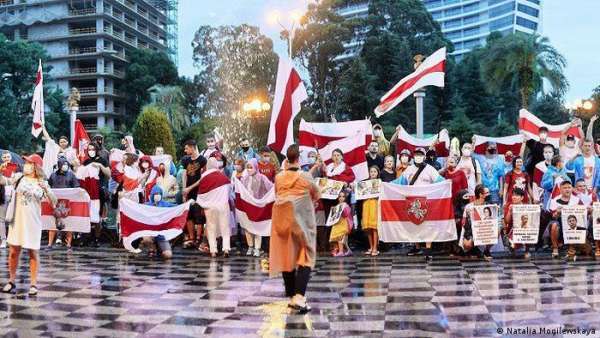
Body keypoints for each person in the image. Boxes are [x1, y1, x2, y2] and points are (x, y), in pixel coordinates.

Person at [270, 144, 320, 314]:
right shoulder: (305, 176)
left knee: (287, 257)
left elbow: (277, 193)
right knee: (306, 256)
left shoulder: (279, 177)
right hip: (301, 222)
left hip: (282, 221)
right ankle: (299, 297)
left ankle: (292, 297)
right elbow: (316, 194)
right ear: (299, 159)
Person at [1, 154, 56, 295]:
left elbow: (54, 201)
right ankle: (11, 280)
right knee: (13, 251)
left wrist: (47, 190)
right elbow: (3, 181)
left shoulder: (42, 182)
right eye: (25, 162)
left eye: (29, 163)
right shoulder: (19, 177)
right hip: (17, 220)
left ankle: (33, 284)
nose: (26, 164)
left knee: (33, 252)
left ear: (35, 166)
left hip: (32, 222)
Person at [393, 147, 444, 259]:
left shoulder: (430, 169)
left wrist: (448, 183)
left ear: (424, 156)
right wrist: (386, 184)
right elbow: (400, 182)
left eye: (420, 154)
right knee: (414, 225)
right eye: (416, 154)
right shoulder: (409, 169)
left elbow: (440, 181)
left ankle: (428, 249)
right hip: (413, 202)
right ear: (413, 156)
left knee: (428, 226)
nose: (418, 156)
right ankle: (416, 247)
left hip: (427, 202)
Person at [197, 158, 231, 258]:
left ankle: (213, 251)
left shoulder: (204, 176)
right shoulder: (223, 177)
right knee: (225, 228)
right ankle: (226, 249)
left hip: (210, 207)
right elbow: (229, 190)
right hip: (222, 206)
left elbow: (201, 193)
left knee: (211, 228)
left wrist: (203, 204)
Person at [241, 159, 273, 257]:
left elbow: (271, 187)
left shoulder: (262, 178)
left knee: (257, 227)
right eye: (248, 167)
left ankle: (257, 248)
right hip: (248, 206)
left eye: (251, 167)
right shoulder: (245, 178)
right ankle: (250, 246)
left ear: (256, 167)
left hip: (258, 206)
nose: (249, 169)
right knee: (248, 227)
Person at [47, 156, 80, 250]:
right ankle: (50, 244)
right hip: (55, 202)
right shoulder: (53, 175)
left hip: (68, 203)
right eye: (63, 164)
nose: (65, 166)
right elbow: (48, 187)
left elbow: (76, 187)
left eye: (66, 164)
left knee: (69, 223)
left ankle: (68, 244)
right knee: (52, 223)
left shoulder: (71, 175)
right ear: (59, 165)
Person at [82, 143, 111, 247]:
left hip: (99, 190)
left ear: (97, 150)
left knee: (97, 215)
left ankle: (97, 238)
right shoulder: (86, 161)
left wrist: (100, 166)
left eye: (93, 149)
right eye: (89, 149)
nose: (91, 151)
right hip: (88, 191)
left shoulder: (102, 160)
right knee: (87, 215)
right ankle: (86, 237)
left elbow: (108, 174)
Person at [180, 140, 207, 249]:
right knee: (188, 215)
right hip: (188, 191)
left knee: (198, 215)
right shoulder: (186, 160)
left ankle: (198, 238)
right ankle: (191, 238)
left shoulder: (202, 160)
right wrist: (184, 190)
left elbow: (203, 178)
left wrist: (190, 188)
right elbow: (185, 175)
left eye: (187, 148)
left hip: (199, 191)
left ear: (192, 147)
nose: (185, 150)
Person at [547, 180, 584, 259]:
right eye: (565, 188)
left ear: (572, 189)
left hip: (572, 223)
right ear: (560, 189)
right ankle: (555, 248)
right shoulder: (555, 200)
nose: (567, 189)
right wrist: (557, 212)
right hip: (559, 222)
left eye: (569, 187)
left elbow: (583, 212)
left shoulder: (577, 200)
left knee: (577, 224)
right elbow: (552, 216)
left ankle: (572, 248)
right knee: (554, 225)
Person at [141, 185, 174, 260]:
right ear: (152, 195)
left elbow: (177, 207)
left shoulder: (165, 204)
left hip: (162, 235)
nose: (157, 195)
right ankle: (152, 248)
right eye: (155, 194)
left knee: (168, 255)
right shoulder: (147, 205)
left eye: (158, 194)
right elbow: (136, 208)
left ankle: (160, 248)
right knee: (146, 238)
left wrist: (187, 204)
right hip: (150, 233)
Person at [460, 184, 493, 260]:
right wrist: (467, 235)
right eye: (486, 193)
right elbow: (464, 222)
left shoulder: (489, 206)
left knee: (496, 231)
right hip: (472, 231)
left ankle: (486, 250)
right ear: (481, 194)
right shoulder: (469, 207)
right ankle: (474, 249)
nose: (488, 194)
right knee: (467, 244)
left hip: (484, 231)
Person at [502, 187, 531, 259]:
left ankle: (527, 250)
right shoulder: (509, 206)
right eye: (513, 195)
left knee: (531, 230)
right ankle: (512, 249)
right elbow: (507, 221)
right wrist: (509, 211)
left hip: (525, 229)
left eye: (517, 195)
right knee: (512, 244)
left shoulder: (527, 206)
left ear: (522, 197)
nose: (514, 197)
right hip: (512, 230)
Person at [0, 151, 19, 248]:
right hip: (2, 196)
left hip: (13, 196)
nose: (7, 158)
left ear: (11, 157)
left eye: (8, 157)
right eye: (5, 157)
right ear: (2, 158)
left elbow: (17, 181)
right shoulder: (0, 168)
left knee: (13, 218)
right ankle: (3, 240)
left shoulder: (16, 167)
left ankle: (13, 239)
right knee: (2, 219)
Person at [362, 166, 380, 256]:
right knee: (367, 227)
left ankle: (375, 248)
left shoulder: (379, 183)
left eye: (374, 172)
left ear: (377, 173)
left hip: (375, 204)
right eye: (371, 171)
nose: (373, 173)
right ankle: (371, 246)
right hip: (366, 204)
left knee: (374, 226)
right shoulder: (365, 183)